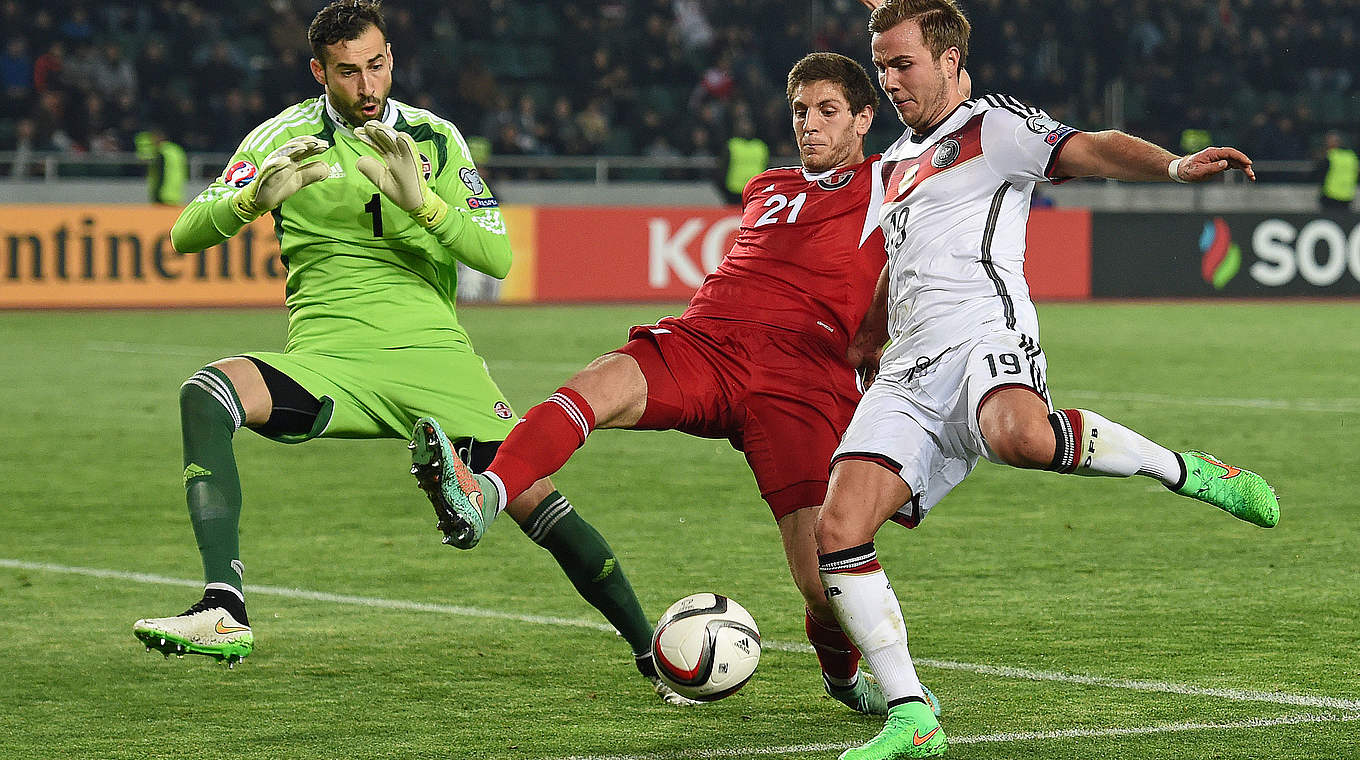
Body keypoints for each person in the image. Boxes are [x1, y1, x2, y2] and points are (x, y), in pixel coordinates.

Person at [130, 0, 687, 706]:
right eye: (348, 72)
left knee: (537, 500)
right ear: (318, 72)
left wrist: (424, 202)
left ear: (391, 57)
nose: (367, 86)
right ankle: (223, 607)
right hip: (330, 359)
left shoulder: (435, 138)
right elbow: (182, 236)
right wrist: (249, 201)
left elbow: (497, 255)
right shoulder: (280, 137)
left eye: (378, 65)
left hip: (436, 358)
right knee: (208, 390)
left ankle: (652, 655)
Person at [815, 2, 1280, 757]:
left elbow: (1090, 146)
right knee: (837, 530)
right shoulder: (894, 161)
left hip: (986, 335)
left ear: (951, 59)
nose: (890, 81)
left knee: (1022, 437)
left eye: (902, 64)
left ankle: (1187, 470)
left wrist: (1172, 164)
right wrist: (871, 330)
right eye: (881, 68)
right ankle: (912, 713)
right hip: (907, 366)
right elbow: (903, 256)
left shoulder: (993, 128)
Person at [414, 51, 941, 718]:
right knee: (597, 385)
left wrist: (877, 335)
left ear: (866, 118)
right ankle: (483, 496)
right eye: (801, 111)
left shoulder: (894, 183)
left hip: (805, 376)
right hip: (709, 339)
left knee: (821, 581)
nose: (810, 124)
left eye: (828, 111)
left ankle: (844, 680)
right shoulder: (765, 186)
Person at [1316, 131, 1357, 212]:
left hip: (1330, 195)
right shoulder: (1351, 156)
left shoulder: (1330, 155)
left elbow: (1319, 173)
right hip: (1347, 196)